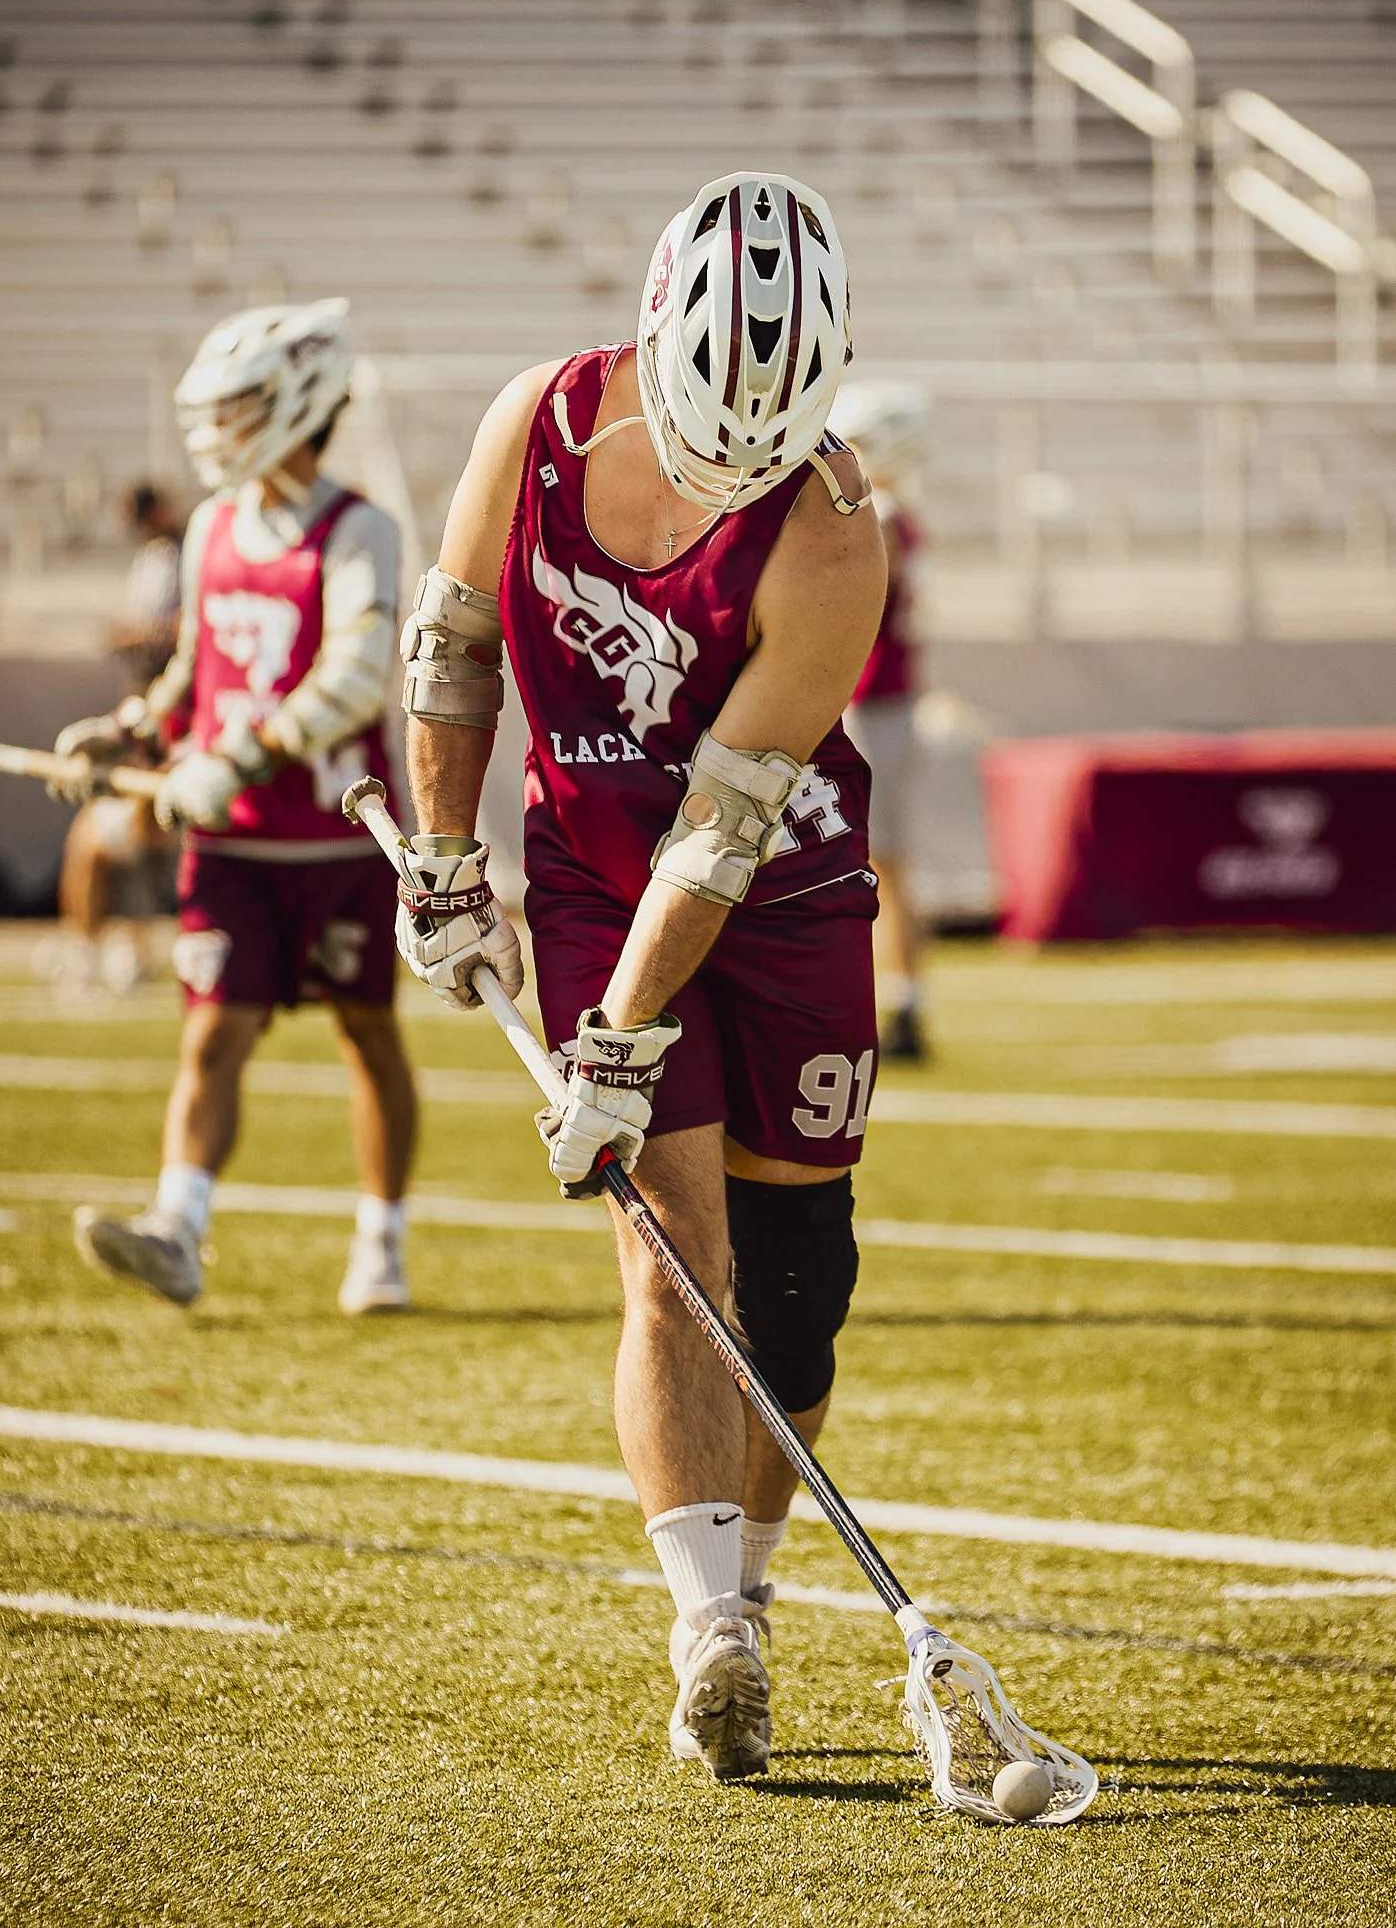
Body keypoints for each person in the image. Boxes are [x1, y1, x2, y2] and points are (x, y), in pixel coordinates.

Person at [395, 173, 886, 1783]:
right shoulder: (534, 416)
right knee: (673, 1251)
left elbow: (725, 828)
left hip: (781, 888)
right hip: (600, 876)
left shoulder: (832, 531)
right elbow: (458, 640)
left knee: (800, 1292)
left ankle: (749, 1581)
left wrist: (617, 1031)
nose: (725, 470)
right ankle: (711, 1630)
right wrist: (449, 862)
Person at [57, 298, 420, 1317]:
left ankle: (381, 1234)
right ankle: (179, 1226)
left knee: (368, 1035)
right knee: (213, 1034)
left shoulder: (360, 529)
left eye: (245, 403)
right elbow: (193, 666)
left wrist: (244, 755)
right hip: (231, 847)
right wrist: (132, 727)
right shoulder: (213, 524)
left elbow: (354, 679)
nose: (220, 428)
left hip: (333, 839)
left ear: (301, 401)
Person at [44, 483, 186, 995]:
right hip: (141, 714)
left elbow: (183, 632)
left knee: (129, 839)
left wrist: (145, 636)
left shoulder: (189, 552)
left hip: (169, 726)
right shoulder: (151, 559)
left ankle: (127, 944)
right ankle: (92, 945)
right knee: (98, 840)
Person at [831, 380, 933, 1061]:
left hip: (875, 705)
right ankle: (892, 1000)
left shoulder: (884, 515)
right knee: (872, 864)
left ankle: (901, 1004)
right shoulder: (896, 513)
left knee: (878, 865)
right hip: (872, 705)